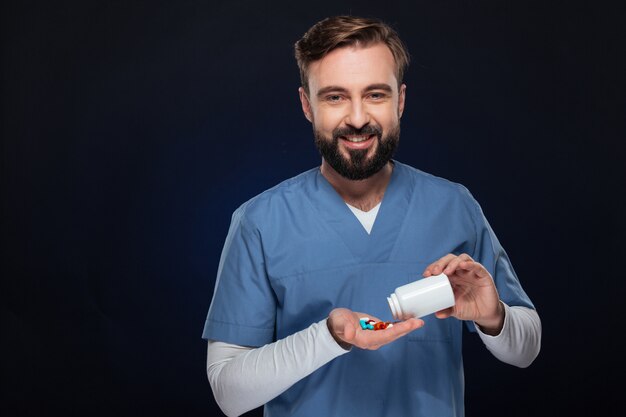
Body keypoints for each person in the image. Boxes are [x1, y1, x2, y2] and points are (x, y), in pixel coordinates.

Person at [202, 15, 541, 417]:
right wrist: (329, 336)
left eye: (375, 95)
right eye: (335, 97)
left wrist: (493, 315)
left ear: (400, 100)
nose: (358, 118)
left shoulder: (454, 206)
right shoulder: (259, 222)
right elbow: (228, 392)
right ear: (306, 105)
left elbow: (526, 348)